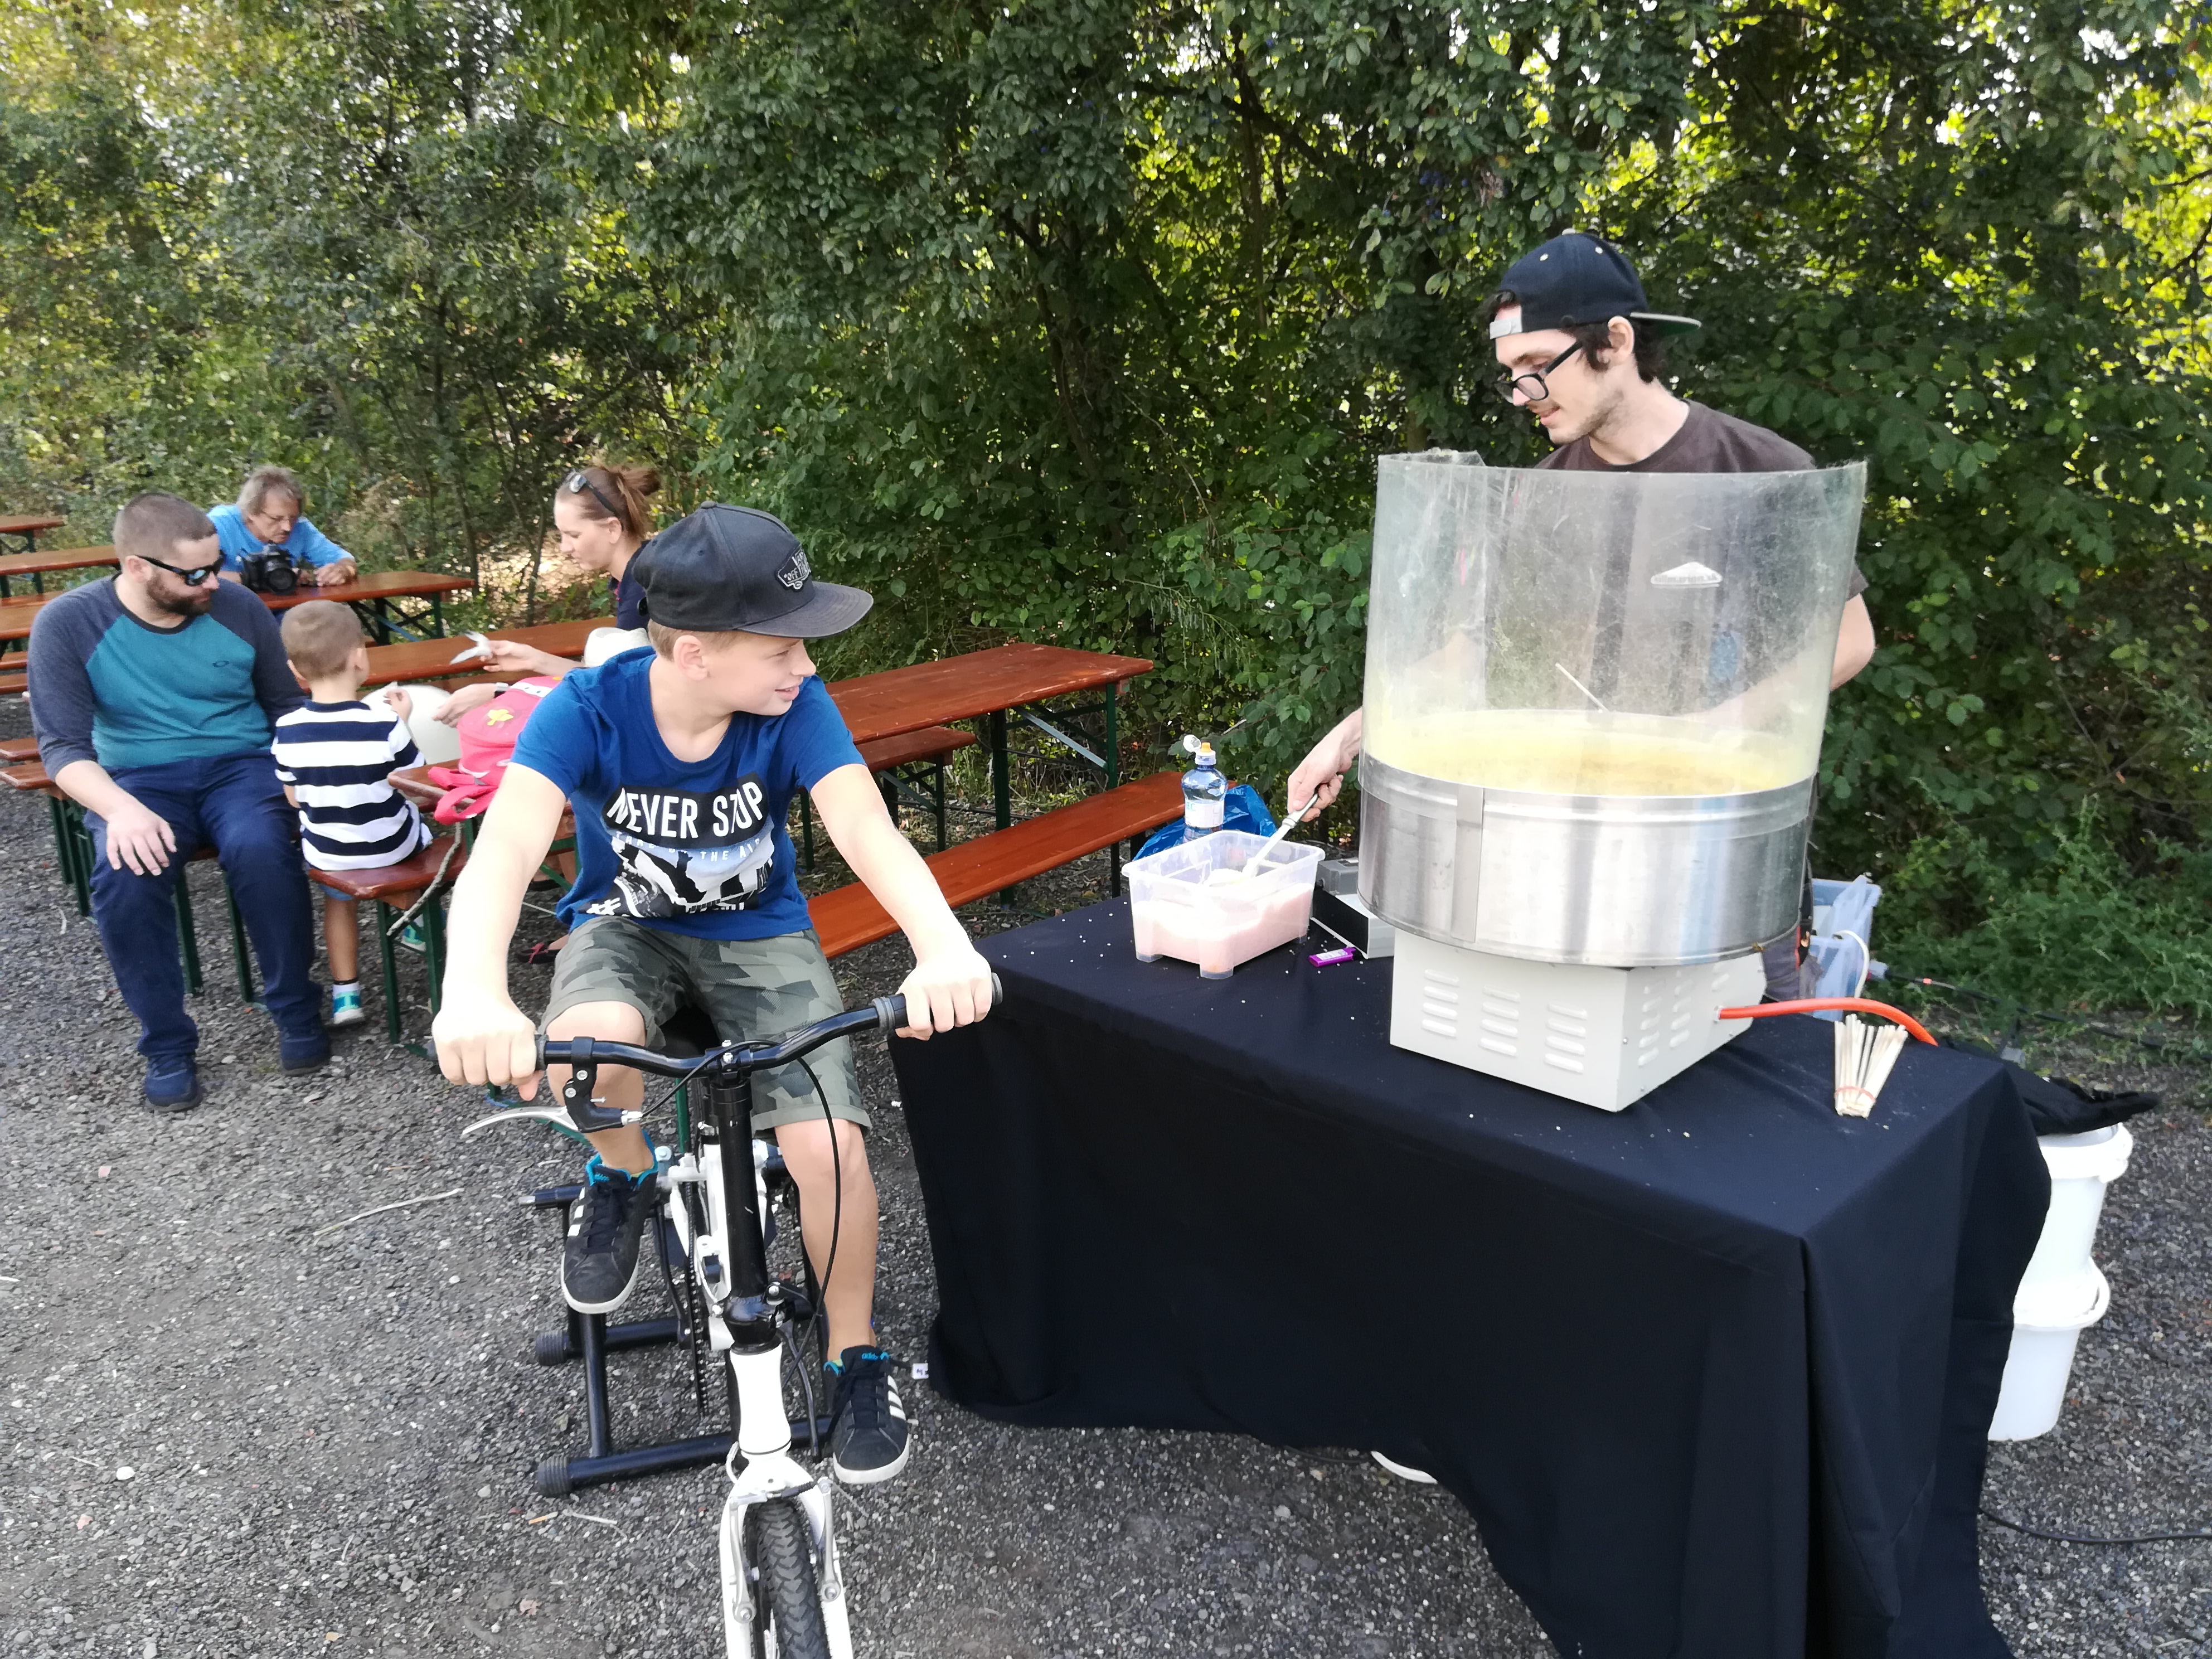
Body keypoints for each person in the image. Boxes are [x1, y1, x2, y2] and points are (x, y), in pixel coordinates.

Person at [431, 503, 994, 1485]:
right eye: (782, 647)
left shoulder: (791, 705)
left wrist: (943, 945)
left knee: (829, 1144)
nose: (804, 667)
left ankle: (854, 1352)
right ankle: (622, 1172)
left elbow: (864, 828)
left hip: (760, 933)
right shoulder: (588, 707)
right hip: (625, 923)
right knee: (589, 1045)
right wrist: (474, 990)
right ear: (693, 653)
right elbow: (508, 846)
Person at [1289, 229, 1876, 998]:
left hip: (1723, 848)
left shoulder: (1759, 471)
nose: (1524, 394)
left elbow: (1851, 641)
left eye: (1538, 365)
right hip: (1574, 859)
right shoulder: (1544, 493)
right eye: (1511, 374)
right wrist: (1347, 736)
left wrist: (1710, 731)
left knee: (1740, 1051)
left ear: (1617, 342)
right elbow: (1470, 654)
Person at [30, 492, 329, 1109]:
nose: (213, 582)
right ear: (137, 567)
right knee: (124, 874)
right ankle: (167, 1045)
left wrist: (316, 770)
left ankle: (296, 1010)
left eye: (216, 566)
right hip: (137, 778)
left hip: (242, 765)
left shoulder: (239, 607)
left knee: (262, 849)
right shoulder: (69, 623)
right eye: (194, 575)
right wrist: (119, 809)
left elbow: (284, 707)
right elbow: (62, 747)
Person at [270, 601, 435, 1028]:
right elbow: (416, 787)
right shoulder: (385, 724)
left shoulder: (286, 730)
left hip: (331, 854)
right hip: (391, 849)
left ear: (295, 670)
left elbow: (294, 800)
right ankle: (412, 915)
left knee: (338, 903)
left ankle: (346, 997)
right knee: (419, 828)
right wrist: (403, 721)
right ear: (360, 657)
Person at [436, 462, 661, 725]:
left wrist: (504, 694)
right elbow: (605, 676)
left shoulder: (643, 591)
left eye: (573, 535)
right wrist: (534, 659)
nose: (565, 548)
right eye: (561, 535)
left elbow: (619, 694)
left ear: (612, 528)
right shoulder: (640, 572)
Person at [208, 464, 359, 587]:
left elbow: (345, 559)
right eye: (276, 518)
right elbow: (197, 576)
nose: (288, 527)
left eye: (293, 517)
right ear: (251, 512)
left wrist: (342, 571)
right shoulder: (219, 525)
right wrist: (261, 578)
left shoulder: (301, 528)